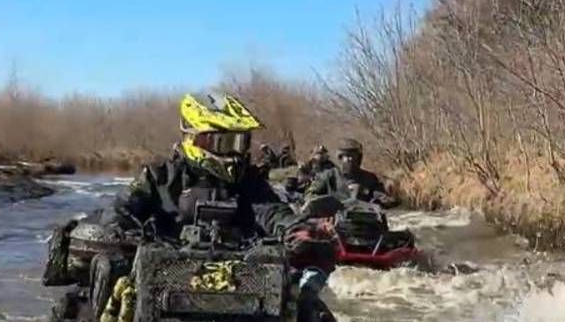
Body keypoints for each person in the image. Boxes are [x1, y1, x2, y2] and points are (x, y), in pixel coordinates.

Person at [113, 91, 290, 240]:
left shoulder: (248, 180)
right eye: (223, 143)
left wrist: (294, 228)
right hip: (166, 267)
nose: (233, 152)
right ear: (194, 139)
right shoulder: (158, 176)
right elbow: (120, 211)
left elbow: (271, 211)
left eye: (240, 142)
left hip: (240, 271)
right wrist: (120, 231)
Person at [328, 138, 397, 207]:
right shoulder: (330, 175)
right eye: (348, 156)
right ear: (340, 158)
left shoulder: (369, 178)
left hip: (363, 214)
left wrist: (385, 200)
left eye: (354, 156)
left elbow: (378, 195)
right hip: (336, 213)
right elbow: (318, 196)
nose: (351, 159)